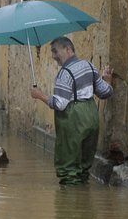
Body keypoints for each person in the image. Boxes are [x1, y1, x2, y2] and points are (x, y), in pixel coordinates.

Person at [30, 36, 114, 185]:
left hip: (74, 120)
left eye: (55, 51)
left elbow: (59, 104)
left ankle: (69, 205)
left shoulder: (64, 74)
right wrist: (107, 80)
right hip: (91, 116)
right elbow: (105, 92)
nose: (53, 56)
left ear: (67, 49)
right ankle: (83, 203)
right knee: (83, 167)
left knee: (69, 170)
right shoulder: (89, 66)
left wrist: (40, 95)